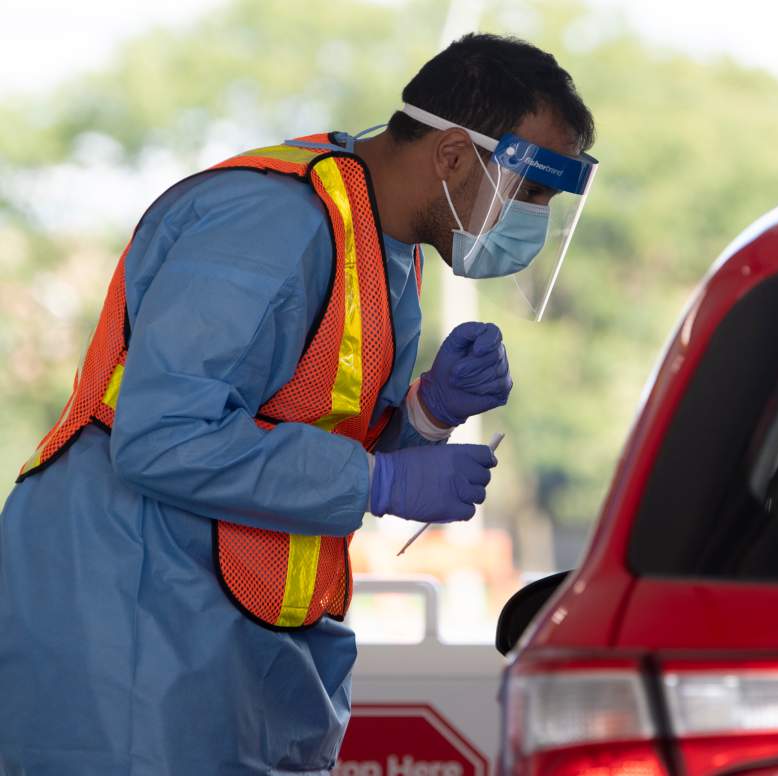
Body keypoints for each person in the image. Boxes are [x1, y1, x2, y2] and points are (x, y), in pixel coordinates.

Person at [0, 33, 597, 775]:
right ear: (451, 155)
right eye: (530, 191)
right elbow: (163, 436)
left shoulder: (385, 246)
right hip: (130, 626)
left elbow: (307, 436)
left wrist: (424, 419)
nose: (533, 220)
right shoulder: (273, 220)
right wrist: (380, 482)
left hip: (237, 633)